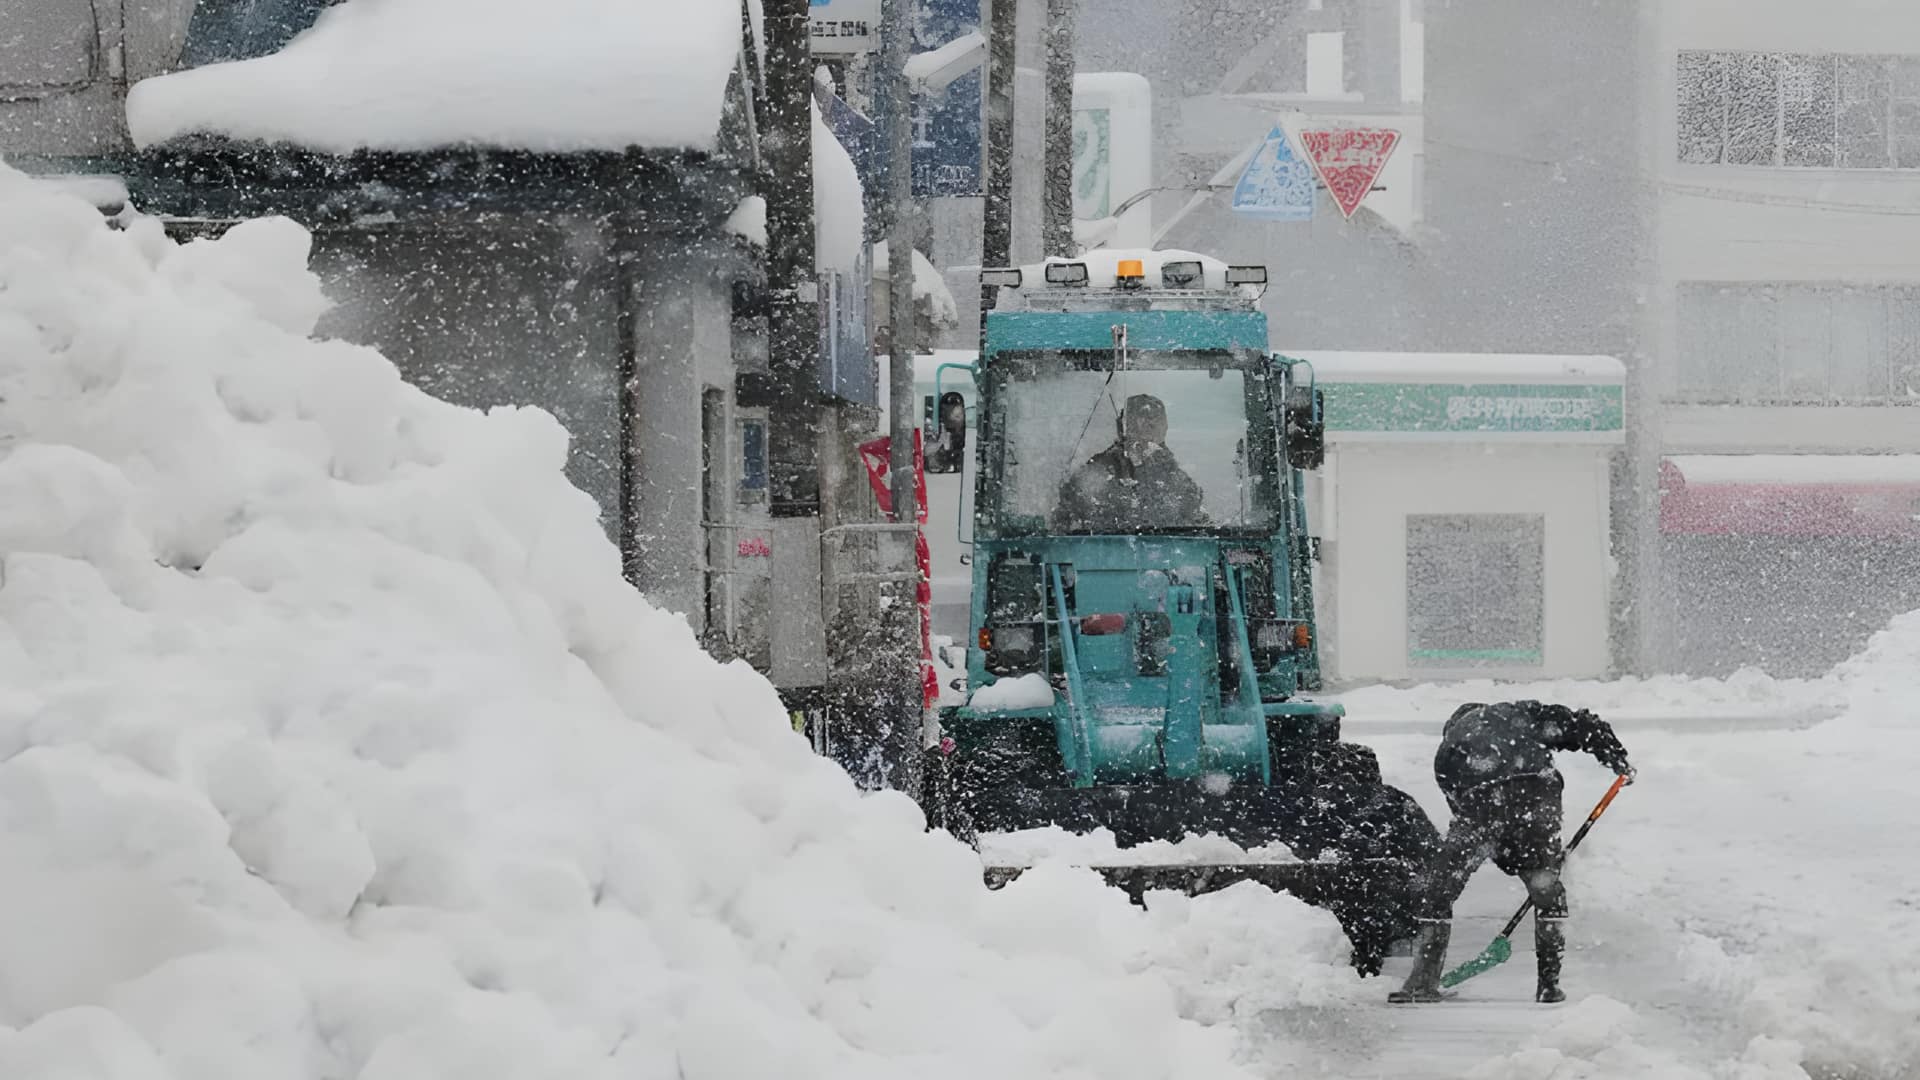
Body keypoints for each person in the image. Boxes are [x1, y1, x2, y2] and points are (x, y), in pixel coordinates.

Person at [1388, 701, 1634, 1005]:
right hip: (1538, 792)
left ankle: (1422, 982)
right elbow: (1577, 724)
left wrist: (1502, 851)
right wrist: (1615, 755)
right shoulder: (1516, 714)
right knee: (1547, 889)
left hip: (1482, 803)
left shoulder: (1447, 753)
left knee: (1437, 888)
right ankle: (1549, 985)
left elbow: (1469, 819)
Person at [1053, 394, 1207, 532]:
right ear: (1124, 428)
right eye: (1142, 419)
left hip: (1164, 560)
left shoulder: (1177, 480)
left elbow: (1199, 529)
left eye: (1155, 421)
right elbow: (1062, 526)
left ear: (1164, 429)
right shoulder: (1096, 473)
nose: (1149, 427)